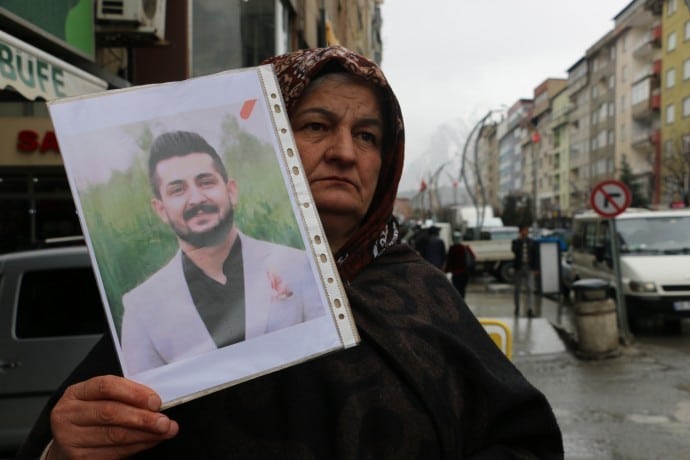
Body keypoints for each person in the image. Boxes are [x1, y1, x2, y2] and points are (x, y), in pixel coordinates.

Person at [17, 46, 563, 459]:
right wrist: (64, 449)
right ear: (274, 135)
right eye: (317, 126)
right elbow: (81, 438)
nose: (346, 153)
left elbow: (523, 439)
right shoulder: (148, 307)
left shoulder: (420, 295)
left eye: (369, 136)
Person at [120, 130, 324, 374]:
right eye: (178, 190)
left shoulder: (299, 264)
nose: (196, 198)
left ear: (231, 191)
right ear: (161, 210)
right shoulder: (141, 308)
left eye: (206, 182)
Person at [511, 225, 540, 317]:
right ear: (520, 232)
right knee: (517, 289)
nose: (525, 232)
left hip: (529, 267)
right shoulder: (516, 242)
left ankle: (530, 309)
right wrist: (520, 240)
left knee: (530, 288)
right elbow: (514, 251)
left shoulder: (532, 242)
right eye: (523, 231)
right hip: (518, 268)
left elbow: (536, 256)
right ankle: (517, 307)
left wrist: (536, 269)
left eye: (526, 231)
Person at [444, 231, 475, 297]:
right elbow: (473, 257)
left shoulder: (452, 249)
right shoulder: (465, 248)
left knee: (457, 289)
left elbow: (449, 262)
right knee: (462, 289)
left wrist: (446, 271)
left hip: (456, 273)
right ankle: (463, 302)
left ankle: (459, 303)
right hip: (464, 273)